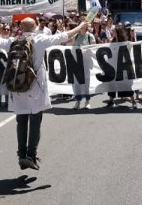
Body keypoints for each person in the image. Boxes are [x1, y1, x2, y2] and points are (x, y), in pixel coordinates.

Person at [11, 17, 88, 171]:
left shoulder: (14, 41)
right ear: (35, 27)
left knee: (21, 121)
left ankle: (21, 155)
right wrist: (80, 26)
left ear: (21, 27)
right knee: (35, 121)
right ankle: (31, 156)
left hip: (18, 85)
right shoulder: (40, 39)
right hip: (35, 86)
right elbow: (64, 36)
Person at [69, 22, 95, 109]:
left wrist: (86, 51)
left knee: (86, 82)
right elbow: (73, 48)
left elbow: (94, 49)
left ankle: (87, 101)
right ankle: (78, 101)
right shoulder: (75, 36)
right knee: (76, 82)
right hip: (77, 63)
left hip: (86, 63)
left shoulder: (90, 36)